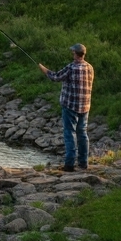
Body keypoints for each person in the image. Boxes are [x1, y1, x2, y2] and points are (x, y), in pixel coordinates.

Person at [38, 43, 94, 172]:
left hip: (70, 106)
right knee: (82, 134)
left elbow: (55, 77)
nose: (72, 54)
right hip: (85, 105)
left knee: (70, 133)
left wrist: (43, 68)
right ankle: (83, 163)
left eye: (72, 52)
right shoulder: (90, 67)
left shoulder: (72, 67)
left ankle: (69, 164)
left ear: (75, 53)